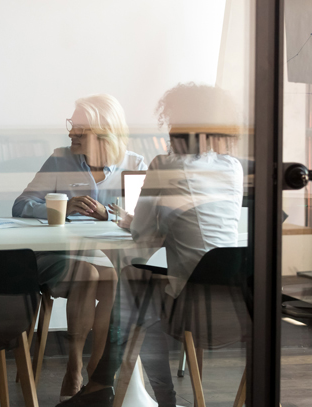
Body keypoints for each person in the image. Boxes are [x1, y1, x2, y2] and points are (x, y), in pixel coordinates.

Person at [59, 83, 245, 407]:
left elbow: (142, 231)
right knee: (140, 288)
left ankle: (132, 393)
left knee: (135, 290)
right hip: (234, 300)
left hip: (188, 304)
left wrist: (137, 222)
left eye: (173, 121)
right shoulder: (233, 167)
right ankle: (104, 387)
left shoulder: (166, 164)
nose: (169, 129)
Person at [12, 94, 147, 401]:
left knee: (110, 277)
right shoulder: (60, 158)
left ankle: (98, 373)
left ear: (104, 132)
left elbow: (144, 221)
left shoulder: (135, 164)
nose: (71, 133)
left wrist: (110, 214)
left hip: (109, 260)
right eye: (72, 125)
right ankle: (74, 368)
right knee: (89, 273)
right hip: (59, 256)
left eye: (80, 129)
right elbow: (21, 205)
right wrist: (62, 207)